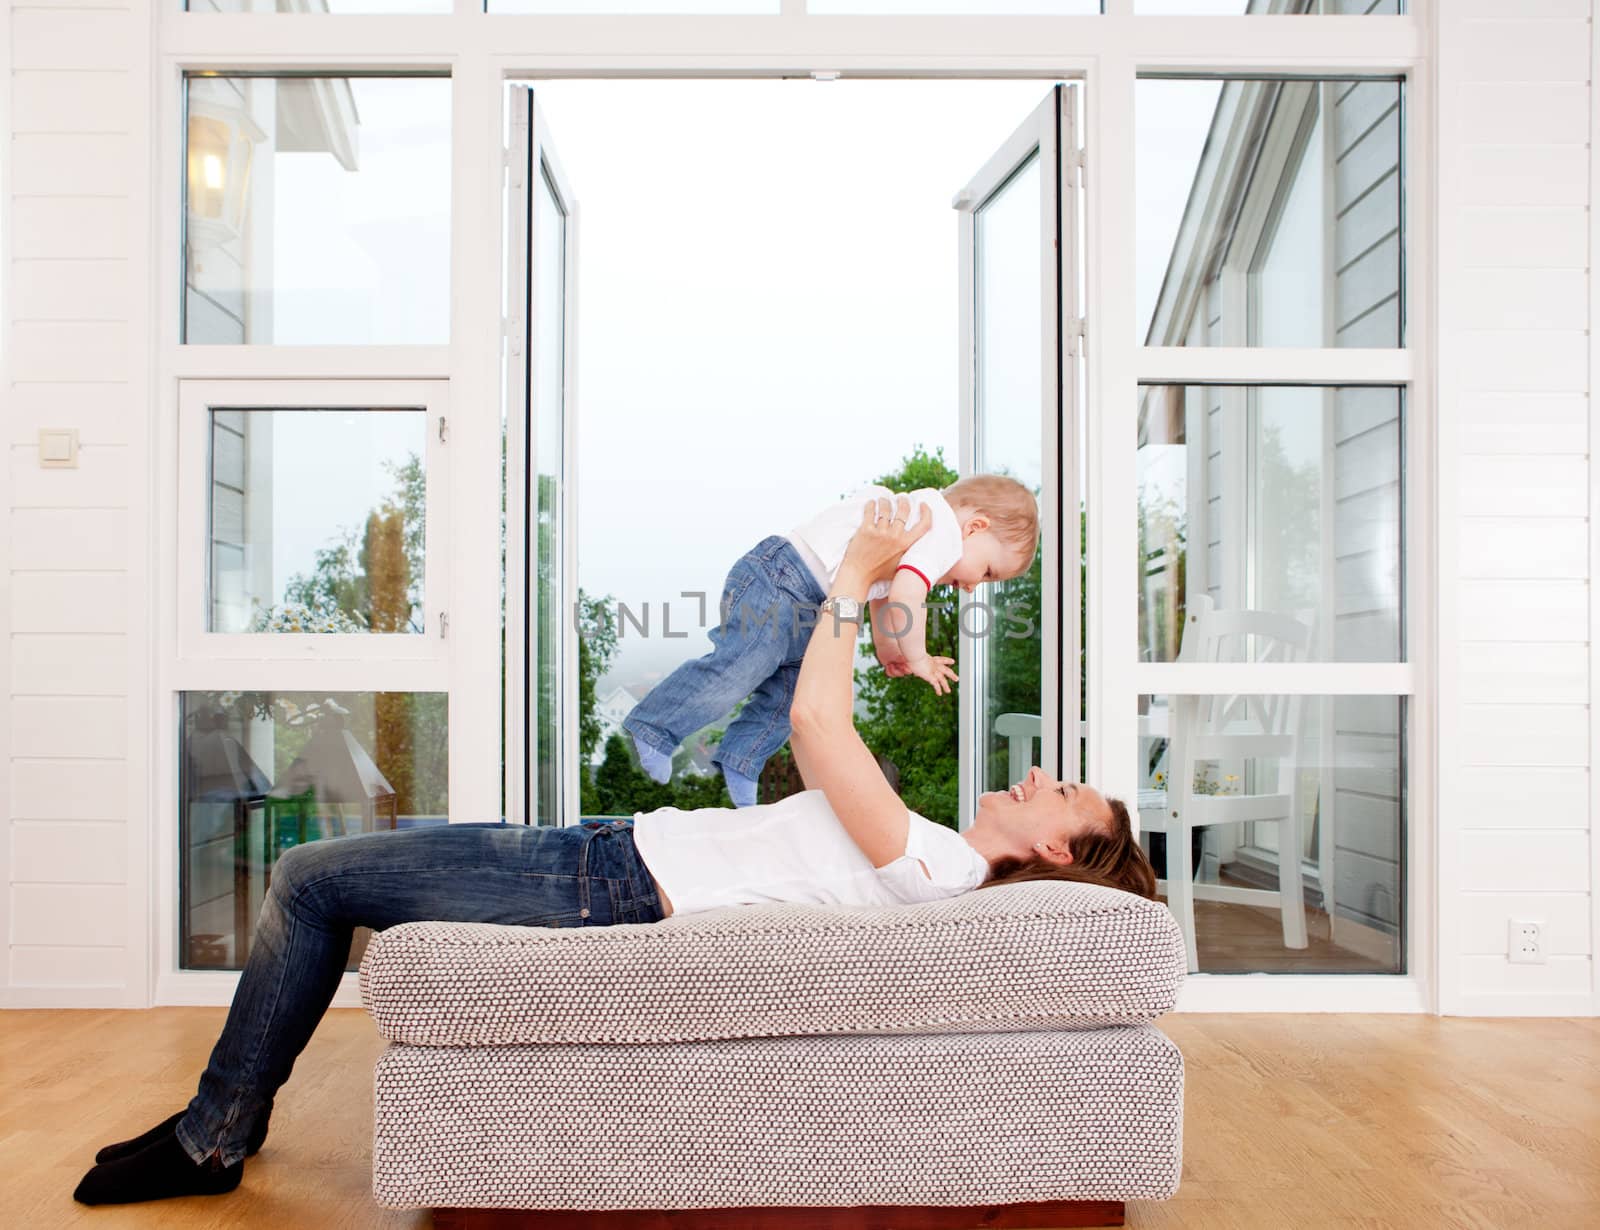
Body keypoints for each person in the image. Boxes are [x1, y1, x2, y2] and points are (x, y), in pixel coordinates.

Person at [73, 494, 1154, 1208]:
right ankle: (216, 1129)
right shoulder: (930, 847)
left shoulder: (939, 868)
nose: (1034, 779)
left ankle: (212, 1139)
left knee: (310, 880)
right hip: (603, 854)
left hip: (602, 886)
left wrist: (853, 577)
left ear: (1061, 852)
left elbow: (819, 730)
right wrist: (875, 608)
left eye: (1057, 793)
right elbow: (819, 722)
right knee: (333, 879)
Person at [625, 474, 1039, 807]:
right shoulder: (941, 531)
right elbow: (907, 596)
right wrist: (919, 657)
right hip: (782, 578)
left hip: (809, 597)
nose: (973, 588)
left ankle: (742, 759)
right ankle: (654, 727)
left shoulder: (918, 522)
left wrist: (887, 651)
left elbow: (881, 597)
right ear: (975, 526)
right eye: (987, 572)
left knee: (790, 692)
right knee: (740, 667)